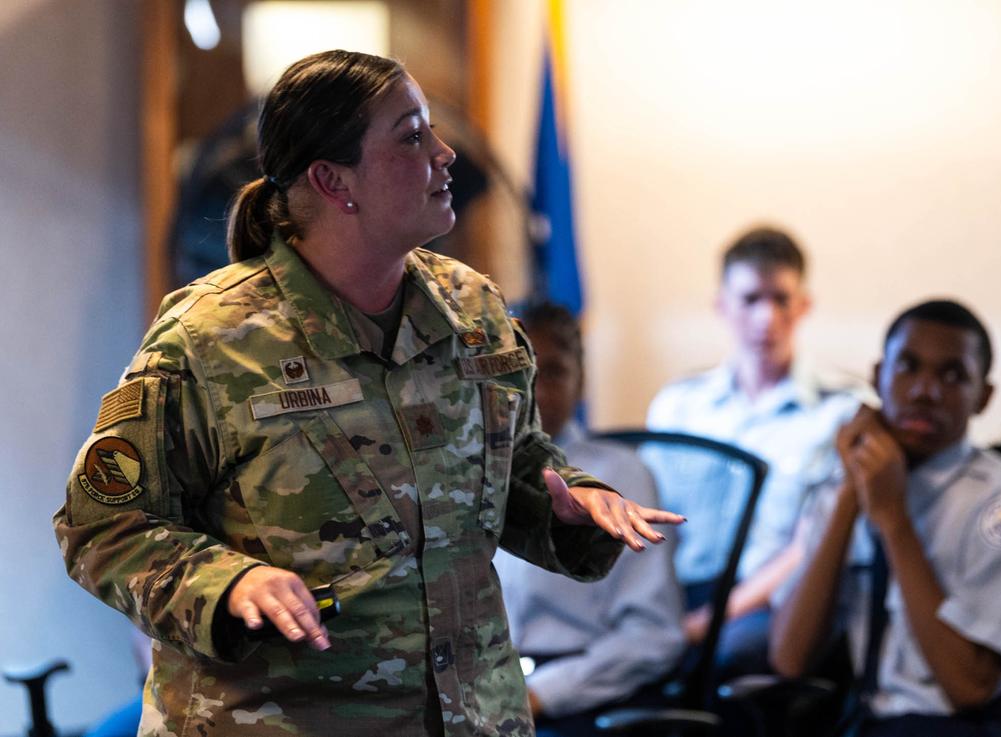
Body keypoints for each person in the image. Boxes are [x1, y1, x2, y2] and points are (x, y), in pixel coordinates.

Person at [53, 50, 681, 737]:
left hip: (477, 716)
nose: (444, 155)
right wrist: (225, 584)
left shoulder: (473, 310)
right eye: (411, 136)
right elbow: (102, 525)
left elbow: (513, 459)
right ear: (331, 178)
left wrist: (573, 499)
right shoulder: (208, 338)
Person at [770, 299, 1001, 736]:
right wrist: (848, 496)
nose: (924, 391)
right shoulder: (847, 482)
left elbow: (969, 686)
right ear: (879, 377)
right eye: (908, 368)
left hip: (995, 720)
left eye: (952, 375)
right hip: (881, 717)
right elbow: (789, 658)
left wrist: (893, 519)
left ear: (983, 397)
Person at [646, 225, 860, 677]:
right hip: (679, 592)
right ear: (722, 305)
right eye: (750, 300)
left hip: (773, 601)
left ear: (803, 306)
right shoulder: (679, 406)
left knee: (727, 660)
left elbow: (814, 544)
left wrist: (711, 620)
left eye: (780, 299)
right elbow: (649, 521)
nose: (766, 318)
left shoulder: (840, 413)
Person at [494, 302, 685, 737]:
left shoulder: (619, 477)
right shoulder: (472, 470)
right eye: (525, 373)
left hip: (581, 695)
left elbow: (653, 636)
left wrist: (544, 693)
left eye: (557, 373)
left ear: (582, 383)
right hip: (491, 686)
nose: (538, 392)